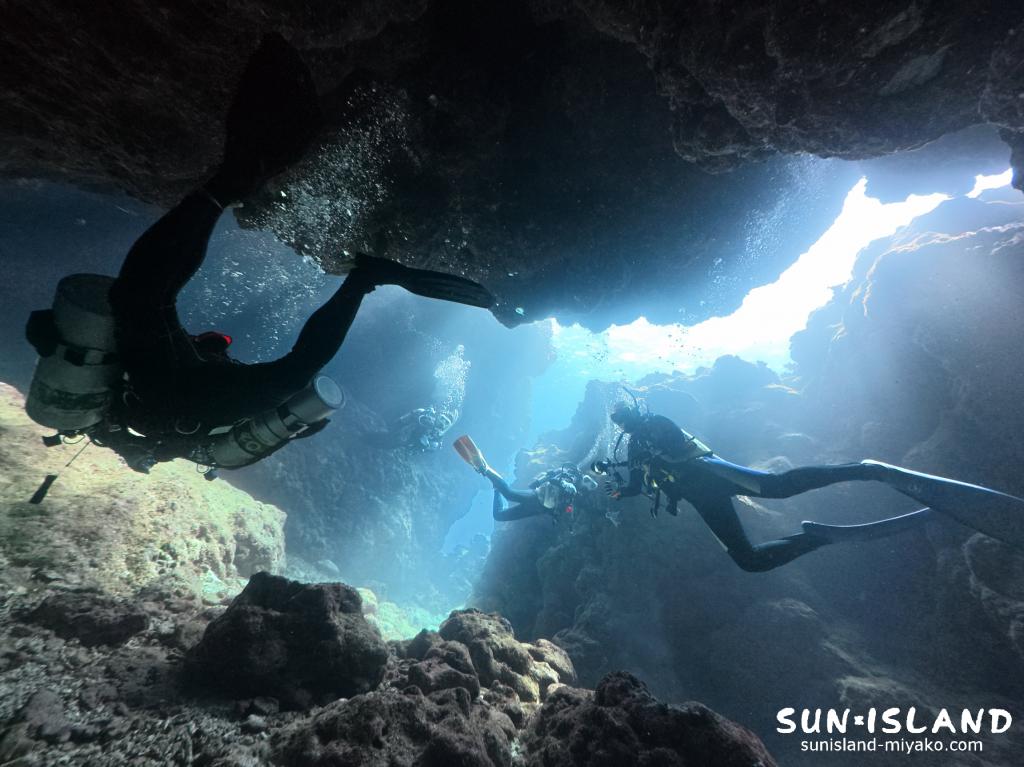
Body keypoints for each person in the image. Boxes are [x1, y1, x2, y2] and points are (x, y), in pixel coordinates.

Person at [25, 34, 493, 477]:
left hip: (200, 400)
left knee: (280, 364)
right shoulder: (114, 412)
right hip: (184, 395)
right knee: (144, 297)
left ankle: (360, 278)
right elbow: (49, 331)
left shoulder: (129, 421)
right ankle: (230, 188)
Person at [595, 401, 1024, 571]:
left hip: (709, 473)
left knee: (778, 487)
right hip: (698, 497)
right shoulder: (631, 447)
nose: (622, 423)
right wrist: (619, 489)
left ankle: (867, 469)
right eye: (618, 421)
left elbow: (673, 442)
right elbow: (637, 485)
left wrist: (649, 441)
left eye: (623, 416)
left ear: (633, 411)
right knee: (748, 561)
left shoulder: (655, 424)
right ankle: (817, 539)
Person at [453, 435, 597, 522]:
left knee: (499, 516)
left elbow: (551, 477)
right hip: (537, 497)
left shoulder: (576, 494)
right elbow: (553, 478)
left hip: (538, 508)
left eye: (589, 484)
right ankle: (485, 469)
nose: (588, 482)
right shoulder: (573, 479)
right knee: (509, 494)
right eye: (589, 480)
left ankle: (496, 487)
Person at [367, 406, 459, 452]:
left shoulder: (438, 436)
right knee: (381, 438)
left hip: (403, 443)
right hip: (397, 434)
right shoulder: (426, 417)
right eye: (442, 418)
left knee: (387, 446)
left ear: (447, 426)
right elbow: (402, 421)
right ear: (438, 416)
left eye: (446, 422)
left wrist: (425, 445)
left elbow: (429, 450)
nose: (442, 422)